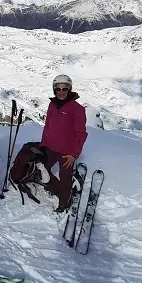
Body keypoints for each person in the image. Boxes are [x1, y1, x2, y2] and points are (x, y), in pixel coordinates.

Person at [39, 75, 88, 212]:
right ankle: (57, 189)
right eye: (58, 89)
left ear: (69, 90)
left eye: (64, 89)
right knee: (43, 169)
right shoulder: (52, 104)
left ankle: (64, 202)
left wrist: (74, 154)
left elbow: (81, 133)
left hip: (67, 152)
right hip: (51, 148)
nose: (61, 91)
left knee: (64, 177)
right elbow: (47, 126)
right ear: (54, 90)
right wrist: (43, 145)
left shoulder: (77, 109)